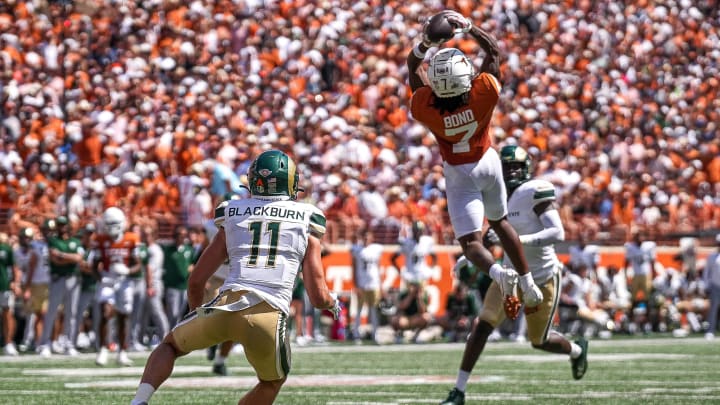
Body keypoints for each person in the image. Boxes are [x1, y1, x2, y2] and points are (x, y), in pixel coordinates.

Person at [131, 150, 341, 405]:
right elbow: (317, 297)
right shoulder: (307, 218)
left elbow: (197, 280)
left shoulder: (233, 211)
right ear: (291, 182)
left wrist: (198, 313)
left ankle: (139, 401)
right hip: (269, 316)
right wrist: (332, 302)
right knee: (271, 381)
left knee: (169, 346)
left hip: (225, 306)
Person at [407, 10, 542, 326]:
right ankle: (527, 281)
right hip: (488, 162)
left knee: (470, 243)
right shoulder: (484, 94)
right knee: (500, 222)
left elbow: (413, 66)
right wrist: (470, 28)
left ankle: (498, 272)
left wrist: (426, 43)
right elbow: (493, 50)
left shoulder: (425, 107)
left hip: (459, 172)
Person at [441, 145, 589, 404]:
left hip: (543, 276)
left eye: (515, 167)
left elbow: (558, 234)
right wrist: (468, 257)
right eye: (506, 167)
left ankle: (576, 350)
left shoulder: (534, 191)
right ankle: (459, 390)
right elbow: (488, 237)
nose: (510, 172)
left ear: (526, 169)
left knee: (538, 341)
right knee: (481, 326)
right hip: (510, 276)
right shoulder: (496, 194)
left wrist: (518, 240)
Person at [91, 207, 141, 366]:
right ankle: (103, 349)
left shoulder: (131, 238)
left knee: (123, 316)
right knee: (106, 313)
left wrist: (127, 270)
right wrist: (101, 279)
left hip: (124, 281)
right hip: (107, 280)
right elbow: (94, 265)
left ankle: (122, 351)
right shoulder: (100, 239)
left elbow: (138, 264)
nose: (111, 227)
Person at [38, 216, 84, 357]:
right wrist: (70, 258)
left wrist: (63, 255)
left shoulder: (75, 241)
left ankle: (69, 344)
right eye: (60, 225)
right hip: (58, 279)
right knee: (52, 311)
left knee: (72, 313)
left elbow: (78, 258)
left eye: (64, 225)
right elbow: (54, 259)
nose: (62, 227)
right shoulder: (53, 241)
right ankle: (45, 344)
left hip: (73, 279)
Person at [350, 231, 384, 344]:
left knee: (374, 310)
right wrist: (356, 285)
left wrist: (381, 284)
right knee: (359, 310)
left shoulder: (376, 249)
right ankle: (356, 334)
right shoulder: (357, 250)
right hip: (362, 284)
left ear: (372, 238)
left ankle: (375, 334)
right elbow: (354, 268)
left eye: (368, 237)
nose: (366, 239)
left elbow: (378, 267)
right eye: (364, 237)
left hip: (374, 283)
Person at [391, 220, 438, 285]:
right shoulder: (406, 242)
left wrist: (430, 270)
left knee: (422, 294)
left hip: (422, 275)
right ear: (413, 231)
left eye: (420, 230)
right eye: (417, 230)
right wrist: (400, 272)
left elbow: (435, 257)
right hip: (410, 276)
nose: (418, 232)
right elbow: (393, 258)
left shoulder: (427, 241)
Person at [1, 232, 21, 356]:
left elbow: (14, 267)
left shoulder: (5, 249)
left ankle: (8, 342)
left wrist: (16, 282)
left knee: (7, 314)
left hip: (4, 285)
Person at [703, 234, 720, 340]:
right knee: (713, 309)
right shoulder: (712, 257)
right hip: (715, 286)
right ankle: (710, 331)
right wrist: (706, 285)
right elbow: (706, 273)